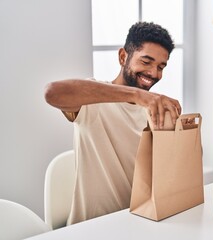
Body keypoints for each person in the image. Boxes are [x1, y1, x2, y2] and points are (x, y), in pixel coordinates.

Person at [44, 22, 181, 225]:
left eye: (161, 67)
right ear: (123, 57)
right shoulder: (93, 101)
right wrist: (137, 95)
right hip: (92, 228)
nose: (154, 73)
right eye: (146, 62)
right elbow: (52, 93)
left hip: (139, 223)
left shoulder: (156, 109)